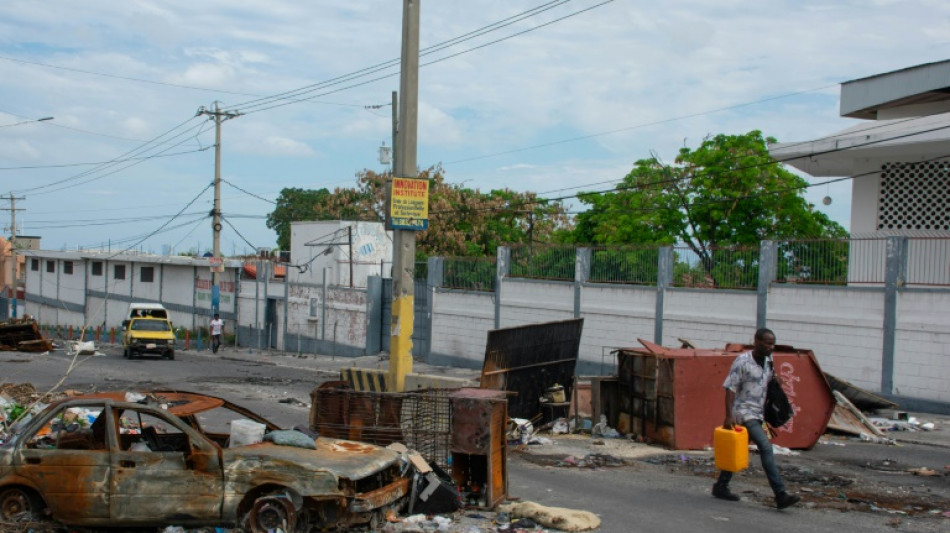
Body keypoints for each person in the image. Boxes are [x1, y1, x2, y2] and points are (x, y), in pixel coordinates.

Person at [712, 327, 801, 510]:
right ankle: (780, 494)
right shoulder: (742, 361)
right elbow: (730, 388)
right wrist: (729, 415)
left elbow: (768, 380)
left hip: (759, 412)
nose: (771, 347)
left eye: (772, 343)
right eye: (767, 343)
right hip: (744, 413)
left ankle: (721, 486)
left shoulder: (769, 359)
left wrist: (776, 381)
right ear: (756, 341)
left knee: (739, 448)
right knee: (766, 448)